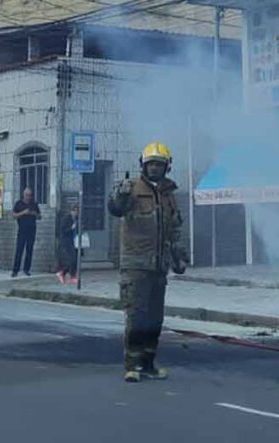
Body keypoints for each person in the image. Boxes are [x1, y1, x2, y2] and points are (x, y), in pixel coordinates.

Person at [108, 142, 188, 383]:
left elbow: (173, 230)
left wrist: (179, 257)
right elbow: (115, 209)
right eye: (150, 164)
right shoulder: (130, 189)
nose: (154, 168)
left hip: (159, 266)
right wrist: (119, 195)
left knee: (155, 318)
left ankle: (149, 363)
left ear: (167, 167)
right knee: (136, 315)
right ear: (142, 165)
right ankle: (132, 365)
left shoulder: (168, 196)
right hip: (135, 266)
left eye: (159, 164)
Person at [11, 188, 41, 277]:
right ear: (23, 195)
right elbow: (14, 215)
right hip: (22, 230)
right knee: (19, 249)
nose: (28, 197)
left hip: (32, 230)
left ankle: (26, 269)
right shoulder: (18, 203)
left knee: (29, 249)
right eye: (27, 195)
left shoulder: (34, 204)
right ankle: (15, 270)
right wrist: (23, 212)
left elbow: (39, 216)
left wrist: (34, 214)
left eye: (30, 195)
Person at [56, 204, 79, 285]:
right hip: (67, 241)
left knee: (76, 259)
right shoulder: (66, 218)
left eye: (77, 212)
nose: (76, 213)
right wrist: (71, 228)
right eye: (75, 211)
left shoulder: (76, 219)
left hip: (75, 241)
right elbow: (62, 230)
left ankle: (67, 274)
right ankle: (68, 274)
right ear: (72, 211)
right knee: (71, 259)